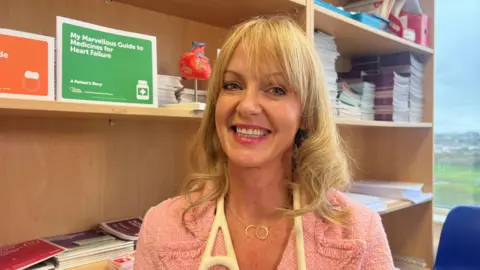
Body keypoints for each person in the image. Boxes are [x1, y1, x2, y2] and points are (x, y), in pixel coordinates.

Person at [134, 16, 395, 270]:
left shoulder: (360, 232)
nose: (247, 106)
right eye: (233, 85)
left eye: (276, 89)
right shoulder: (161, 227)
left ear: (305, 115)